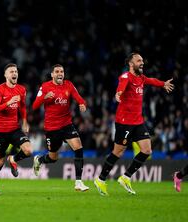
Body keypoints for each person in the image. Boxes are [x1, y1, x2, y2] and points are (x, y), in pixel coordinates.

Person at [94, 53, 174, 196]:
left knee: (147, 150)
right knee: (118, 152)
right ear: (131, 64)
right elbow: (121, 86)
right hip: (124, 122)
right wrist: (118, 94)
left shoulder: (141, 78)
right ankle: (100, 179)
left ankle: (126, 177)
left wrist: (163, 84)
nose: (142, 62)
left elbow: (152, 80)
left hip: (138, 121)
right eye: (139, 60)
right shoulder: (126, 77)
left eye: (142, 60)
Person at [32, 64, 89, 191]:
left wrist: (82, 104)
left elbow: (79, 98)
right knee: (53, 158)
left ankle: (78, 182)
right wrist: (44, 97)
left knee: (78, 147)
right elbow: (34, 106)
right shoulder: (45, 87)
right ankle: (40, 159)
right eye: (57, 71)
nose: (60, 74)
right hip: (52, 128)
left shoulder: (68, 85)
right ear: (52, 74)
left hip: (67, 124)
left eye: (62, 71)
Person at [0, 63, 32, 194]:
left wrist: (24, 121)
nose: (14, 74)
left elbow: (23, 106)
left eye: (16, 71)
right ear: (5, 75)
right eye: (11, 71)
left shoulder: (21, 89)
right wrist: (8, 102)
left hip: (14, 128)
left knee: (28, 150)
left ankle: (13, 159)